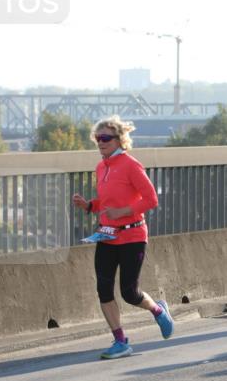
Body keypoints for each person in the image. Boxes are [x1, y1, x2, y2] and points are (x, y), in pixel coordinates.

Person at [71, 116, 174, 360]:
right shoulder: (101, 167)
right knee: (103, 289)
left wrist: (124, 211)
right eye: (97, 138)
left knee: (129, 292)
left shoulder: (131, 165)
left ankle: (158, 310)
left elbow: (151, 200)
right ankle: (120, 341)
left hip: (133, 235)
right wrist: (88, 206)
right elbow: (107, 203)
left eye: (105, 138)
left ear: (120, 140)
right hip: (107, 235)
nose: (100, 142)